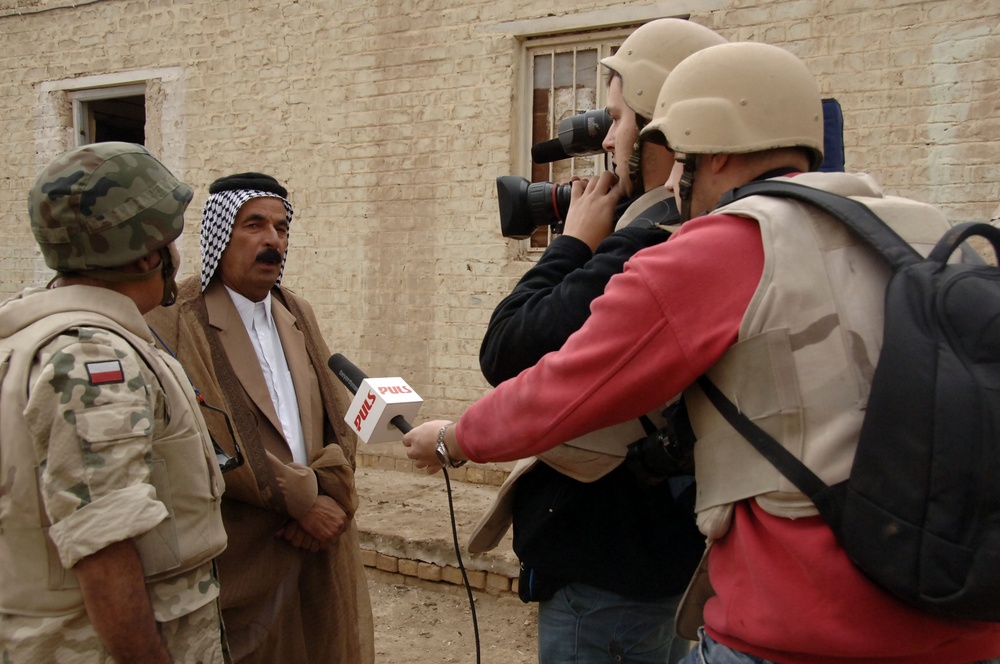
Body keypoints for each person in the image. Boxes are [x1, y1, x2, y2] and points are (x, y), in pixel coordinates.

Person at [404, 42, 1000, 663]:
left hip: (800, 630)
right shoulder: (921, 231)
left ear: (711, 151)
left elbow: (565, 386)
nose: (671, 180)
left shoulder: (722, 247)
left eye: (679, 159)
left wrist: (454, 438)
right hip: (962, 617)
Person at [475, 18, 725, 664]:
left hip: (609, 586)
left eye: (618, 120)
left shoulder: (651, 242)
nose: (607, 138)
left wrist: (574, 242)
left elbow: (505, 350)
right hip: (675, 568)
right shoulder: (716, 234)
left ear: (662, 131)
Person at [0, 142, 228, 663]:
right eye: (169, 240)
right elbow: (103, 548)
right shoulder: (90, 360)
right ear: (149, 254)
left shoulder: (48, 336)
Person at [145, 172, 374, 664]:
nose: (273, 240)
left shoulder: (296, 311)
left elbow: (336, 416)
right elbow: (206, 439)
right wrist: (301, 503)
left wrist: (329, 495)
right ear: (219, 233)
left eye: (281, 227)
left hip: (317, 542)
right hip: (246, 546)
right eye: (254, 225)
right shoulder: (179, 319)